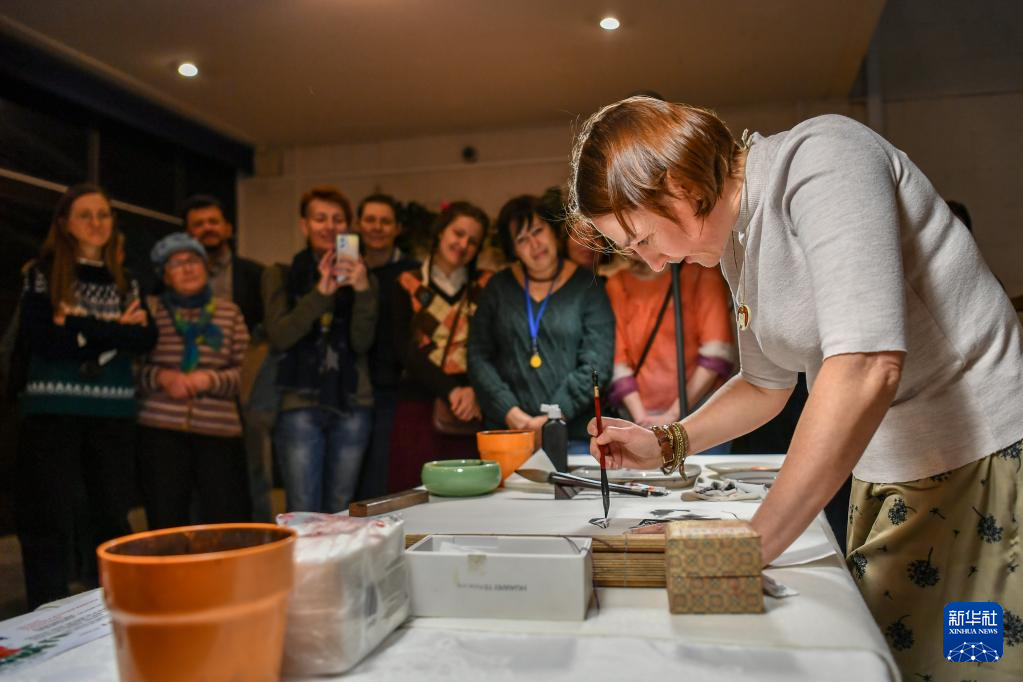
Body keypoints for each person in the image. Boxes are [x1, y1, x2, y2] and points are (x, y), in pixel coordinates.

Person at [569, 97, 1023, 679]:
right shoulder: (737, 242)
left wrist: (751, 544)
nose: (654, 264)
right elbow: (765, 384)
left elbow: (865, 364)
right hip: (888, 472)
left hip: (978, 468)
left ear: (676, 186)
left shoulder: (824, 158)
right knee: (898, 655)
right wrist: (665, 443)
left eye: (641, 239)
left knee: (970, 663)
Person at [14, 183, 156, 610]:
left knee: (110, 515)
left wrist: (77, 325)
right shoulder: (42, 273)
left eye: (103, 214)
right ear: (65, 224)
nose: (96, 223)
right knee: (49, 515)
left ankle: (109, 608)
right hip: (52, 410)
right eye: (85, 215)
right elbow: (44, 340)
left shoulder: (127, 281)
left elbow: (144, 339)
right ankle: (48, 611)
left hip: (111, 413)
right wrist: (115, 332)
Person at [262, 186, 377, 513]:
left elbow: (362, 342)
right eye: (320, 218)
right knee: (303, 509)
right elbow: (280, 336)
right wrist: (320, 294)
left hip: (353, 401)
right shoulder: (280, 275)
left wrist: (363, 291)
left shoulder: (364, 277)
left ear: (348, 227)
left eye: (337, 219)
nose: (329, 226)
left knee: (342, 507)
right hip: (299, 401)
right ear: (304, 225)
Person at [468, 195, 614, 445]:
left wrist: (553, 417)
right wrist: (510, 412)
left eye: (538, 231)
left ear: (554, 231)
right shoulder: (498, 287)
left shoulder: (588, 286)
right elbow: (477, 355)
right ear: (513, 250)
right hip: (510, 432)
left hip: (574, 434)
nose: (534, 244)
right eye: (522, 240)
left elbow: (597, 361)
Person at [136, 233, 251, 528]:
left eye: (194, 260)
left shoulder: (229, 312)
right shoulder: (150, 310)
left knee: (225, 517)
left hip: (218, 429)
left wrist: (209, 379)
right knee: (166, 517)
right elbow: (132, 367)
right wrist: (162, 377)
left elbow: (244, 373)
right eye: (177, 263)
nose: (188, 268)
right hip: (161, 428)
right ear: (164, 275)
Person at [387, 202, 491, 492]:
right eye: (458, 233)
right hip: (418, 405)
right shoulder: (407, 283)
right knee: (414, 494)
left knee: (470, 496)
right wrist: (452, 390)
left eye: (473, 241)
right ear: (441, 232)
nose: (463, 245)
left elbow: (494, 345)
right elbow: (404, 349)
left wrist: (473, 389)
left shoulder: (485, 285)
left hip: (471, 408)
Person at [182, 194, 273, 521]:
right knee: (197, 479)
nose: (207, 228)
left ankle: (262, 540)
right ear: (188, 233)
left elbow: (269, 333)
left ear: (228, 228)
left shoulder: (255, 274)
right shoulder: (175, 276)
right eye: (198, 224)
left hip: (244, 391)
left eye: (213, 221)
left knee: (254, 472)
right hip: (194, 393)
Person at [605, 257, 734, 426]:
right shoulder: (618, 283)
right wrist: (642, 419)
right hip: (639, 410)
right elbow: (618, 360)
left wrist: (673, 414)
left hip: (700, 407)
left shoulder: (701, 272)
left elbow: (716, 352)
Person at [353, 194, 419, 500]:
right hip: (350, 388)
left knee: (382, 477)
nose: (377, 227)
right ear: (358, 224)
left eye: (385, 221)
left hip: (393, 389)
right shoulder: (346, 269)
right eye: (370, 220)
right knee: (350, 479)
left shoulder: (412, 273)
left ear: (397, 228)